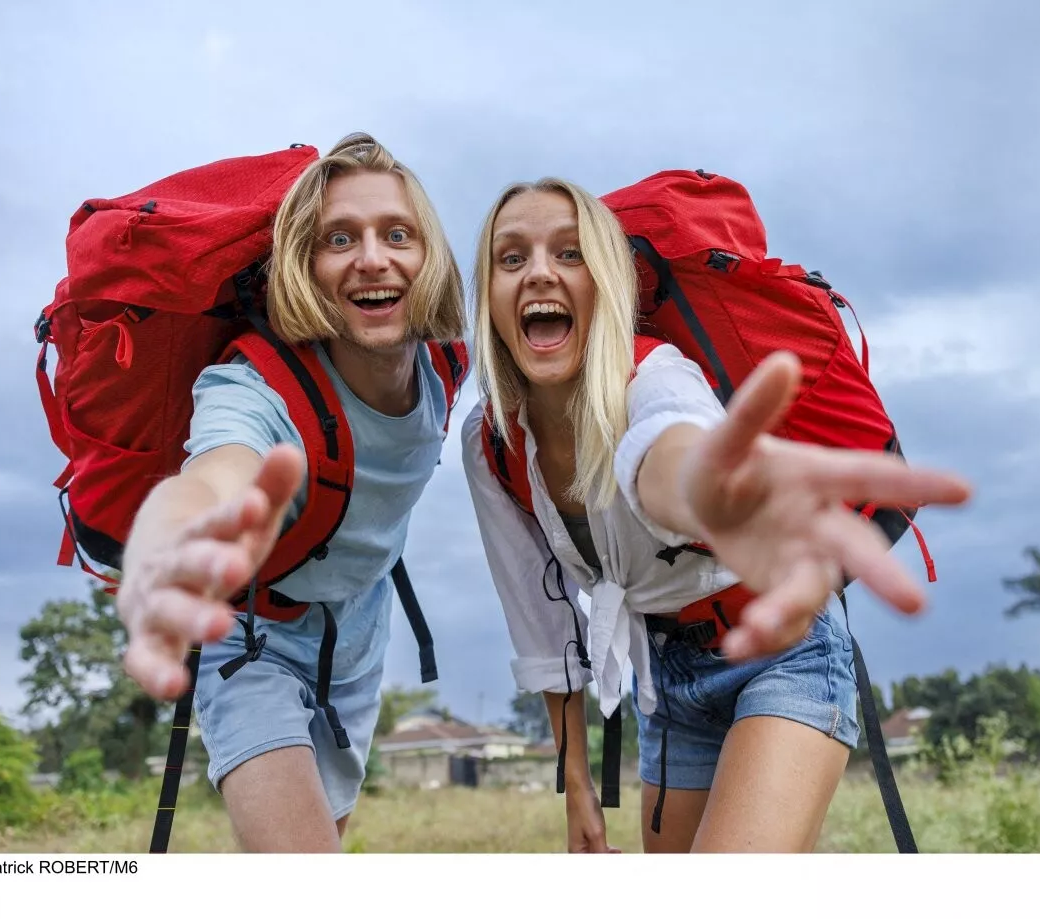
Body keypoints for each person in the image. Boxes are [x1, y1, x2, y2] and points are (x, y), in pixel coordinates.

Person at [460, 177, 971, 853]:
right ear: (488, 295)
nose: (540, 273)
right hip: (667, 681)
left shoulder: (657, 374)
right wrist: (577, 786)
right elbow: (539, 618)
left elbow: (672, 445)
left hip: (783, 652)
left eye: (571, 253)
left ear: (607, 283)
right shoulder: (490, 439)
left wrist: (706, 488)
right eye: (511, 257)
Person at [115, 133, 466, 852]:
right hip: (251, 636)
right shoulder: (254, 387)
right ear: (307, 268)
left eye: (397, 233)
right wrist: (170, 543)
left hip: (360, 636)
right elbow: (215, 474)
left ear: (429, 257)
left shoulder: (446, 368)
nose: (372, 257)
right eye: (340, 238)